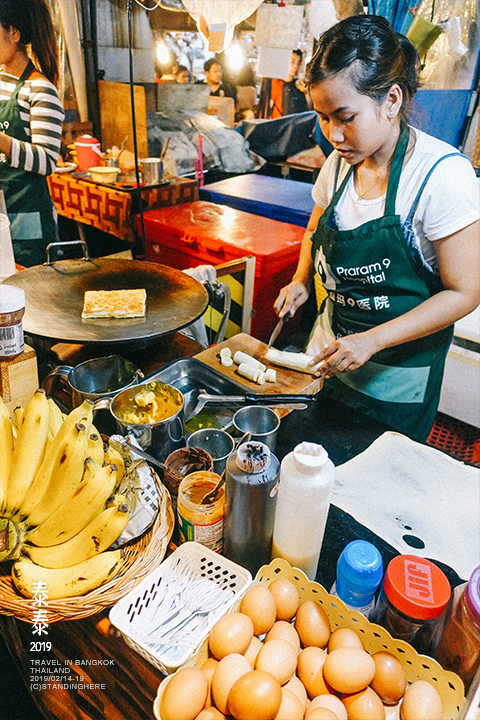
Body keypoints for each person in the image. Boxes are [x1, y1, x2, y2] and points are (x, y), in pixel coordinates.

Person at [274, 15, 479, 442]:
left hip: (394, 383)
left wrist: (372, 340)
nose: (332, 133)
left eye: (345, 116)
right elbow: (317, 230)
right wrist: (300, 281)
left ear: (391, 100)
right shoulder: (338, 165)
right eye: (323, 117)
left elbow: (466, 292)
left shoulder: (440, 177)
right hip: (327, 357)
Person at [0, 0, 64, 267]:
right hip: (2, 211)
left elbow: (48, 161)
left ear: (14, 33)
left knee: (29, 296)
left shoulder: (39, 89)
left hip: (28, 217)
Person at [270, 49, 310, 118]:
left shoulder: (299, 85)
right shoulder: (276, 83)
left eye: (298, 63)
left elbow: (308, 110)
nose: (295, 66)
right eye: (292, 62)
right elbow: (269, 109)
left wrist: (307, 93)